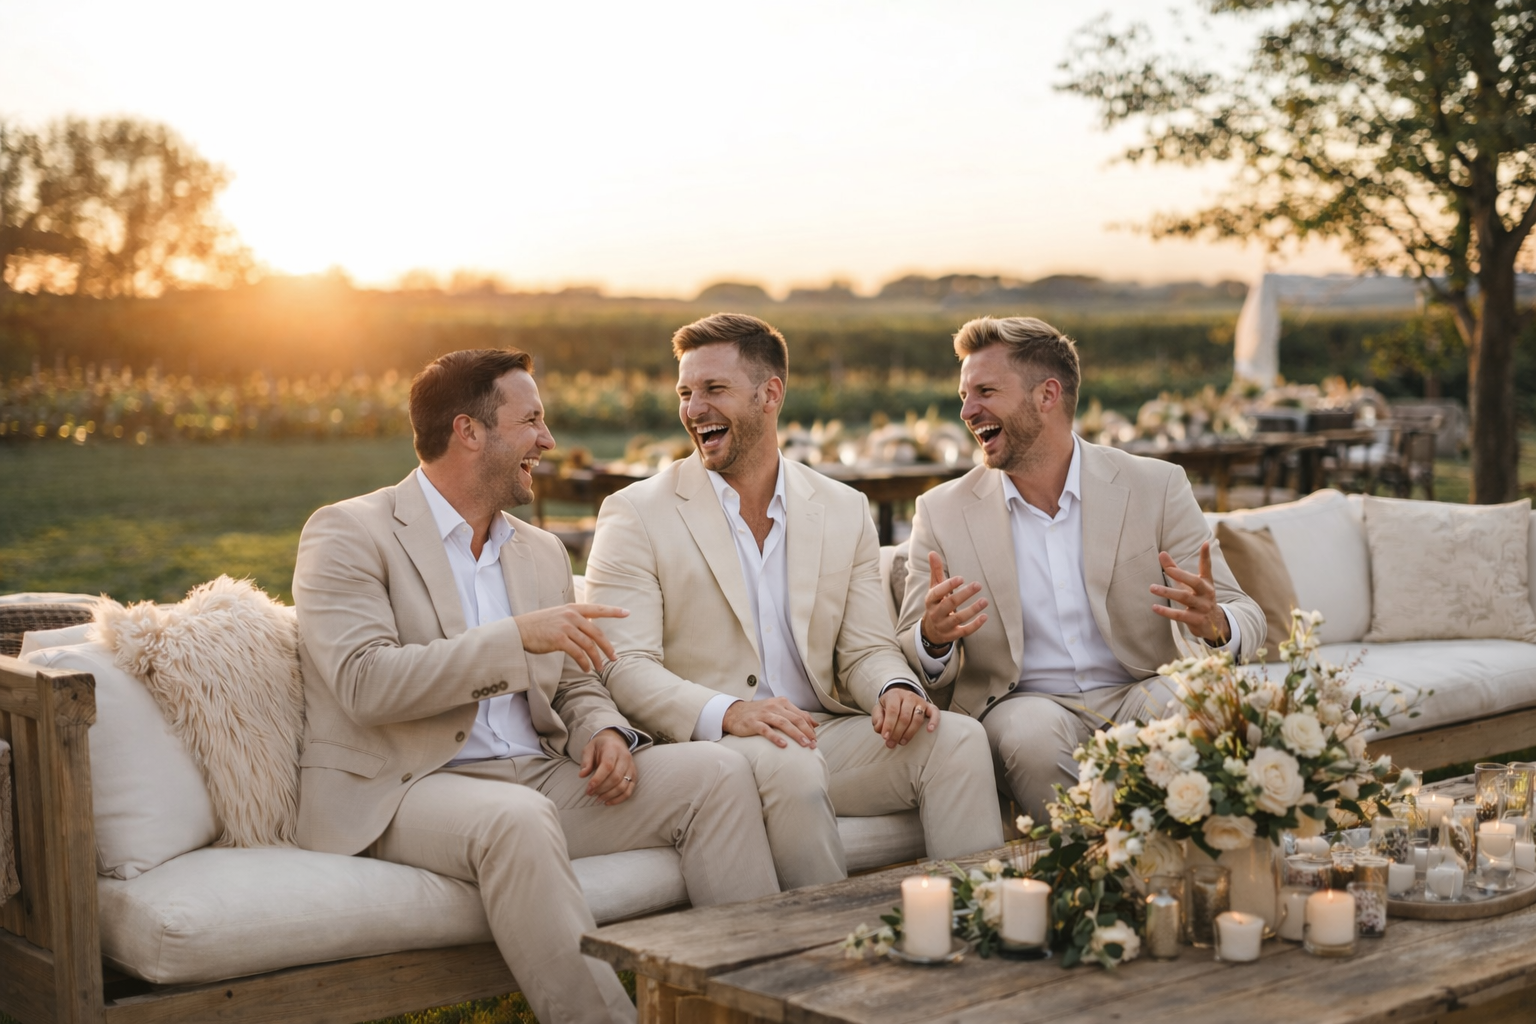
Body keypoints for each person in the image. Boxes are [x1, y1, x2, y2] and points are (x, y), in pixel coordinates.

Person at [291, 348, 779, 1024]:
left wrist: (603, 730)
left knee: (716, 775)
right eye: (531, 422)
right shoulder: (348, 532)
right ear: (469, 431)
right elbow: (365, 684)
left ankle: (755, 1010)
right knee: (515, 821)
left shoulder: (540, 549)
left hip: (540, 775)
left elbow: (576, 679)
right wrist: (515, 638)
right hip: (406, 788)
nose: (548, 442)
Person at [583, 313, 1003, 890]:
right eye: (685, 392)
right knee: (789, 763)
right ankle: (825, 960)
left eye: (713, 389)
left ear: (770, 394)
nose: (693, 408)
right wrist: (730, 712)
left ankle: (977, 928)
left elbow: (864, 650)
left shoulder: (841, 507)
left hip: (822, 731)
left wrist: (895, 689)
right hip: (715, 744)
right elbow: (623, 667)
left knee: (956, 739)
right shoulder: (635, 513)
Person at [895, 316, 1264, 823]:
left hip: (1139, 687)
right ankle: (1103, 865)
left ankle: (1173, 857)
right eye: (963, 394)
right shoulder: (940, 511)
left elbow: (1247, 614)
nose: (966, 411)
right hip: (1025, 702)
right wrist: (933, 638)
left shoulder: (1156, 486)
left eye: (984, 391)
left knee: (1213, 702)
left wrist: (1217, 624)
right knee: (1030, 737)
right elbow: (913, 651)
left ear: (1047, 395)